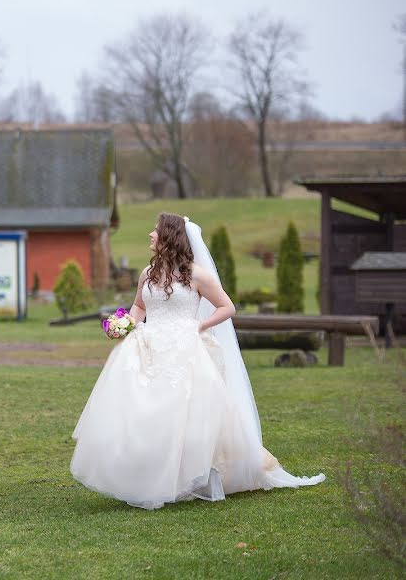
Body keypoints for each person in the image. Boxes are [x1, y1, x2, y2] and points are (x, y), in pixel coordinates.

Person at [70, 213, 325, 510]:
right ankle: (149, 474)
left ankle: (191, 476)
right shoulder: (148, 273)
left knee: (184, 414)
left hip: (184, 348)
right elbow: (139, 307)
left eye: (156, 231)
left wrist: (197, 327)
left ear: (170, 237)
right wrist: (123, 325)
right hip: (147, 346)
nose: (151, 235)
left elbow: (226, 307)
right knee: (145, 411)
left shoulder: (197, 275)